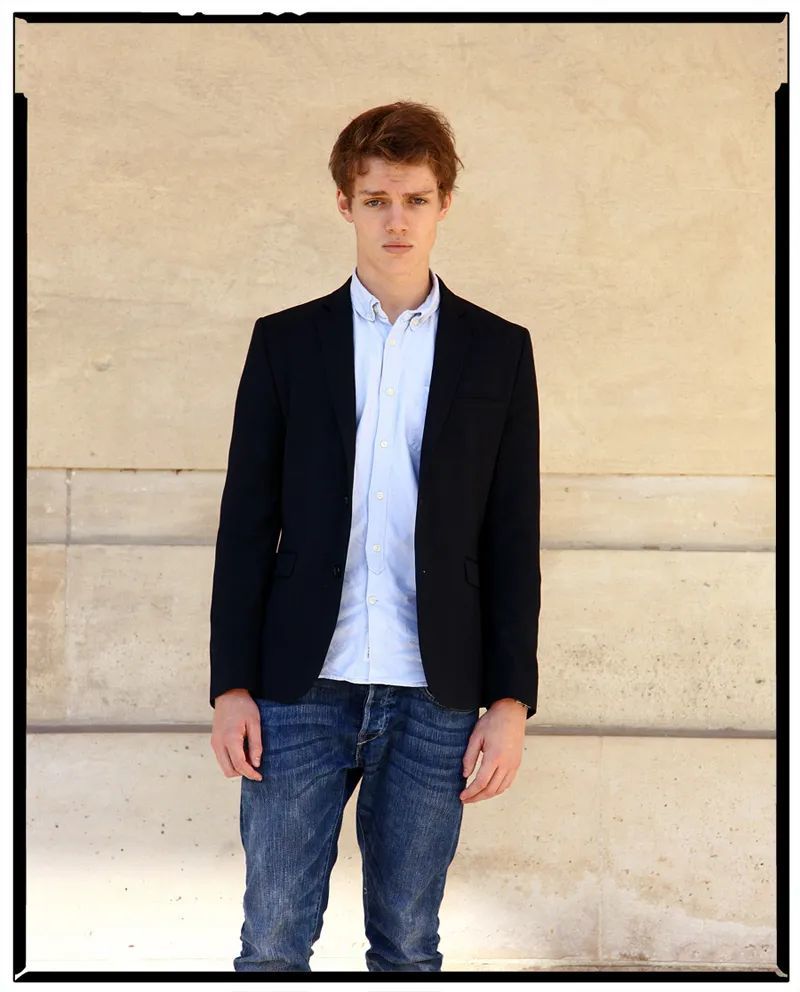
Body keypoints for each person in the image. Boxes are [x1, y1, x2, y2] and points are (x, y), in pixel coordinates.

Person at [209, 100, 541, 972]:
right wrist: (231, 686)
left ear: (444, 205)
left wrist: (509, 703)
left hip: (436, 691)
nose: (397, 220)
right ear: (345, 204)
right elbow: (246, 524)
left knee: (408, 943)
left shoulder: (499, 351)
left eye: (416, 199)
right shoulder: (285, 343)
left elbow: (513, 535)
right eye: (377, 200)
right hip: (299, 687)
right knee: (272, 939)